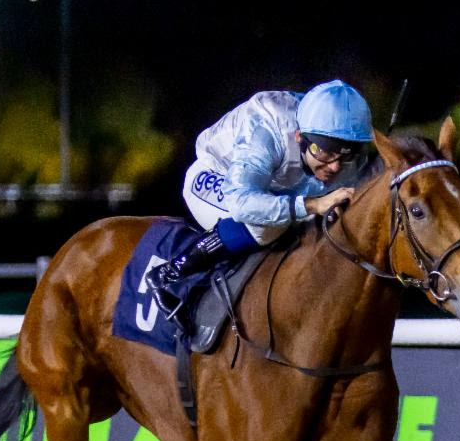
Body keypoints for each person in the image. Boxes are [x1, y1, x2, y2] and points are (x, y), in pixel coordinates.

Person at [145, 79, 374, 326]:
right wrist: (312, 205)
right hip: (217, 177)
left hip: (272, 188)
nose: (335, 167)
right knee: (267, 225)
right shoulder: (267, 132)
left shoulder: (341, 150)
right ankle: (169, 274)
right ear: (300, 137)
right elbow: (242, 203)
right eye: (326, 153)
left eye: (346, 156)